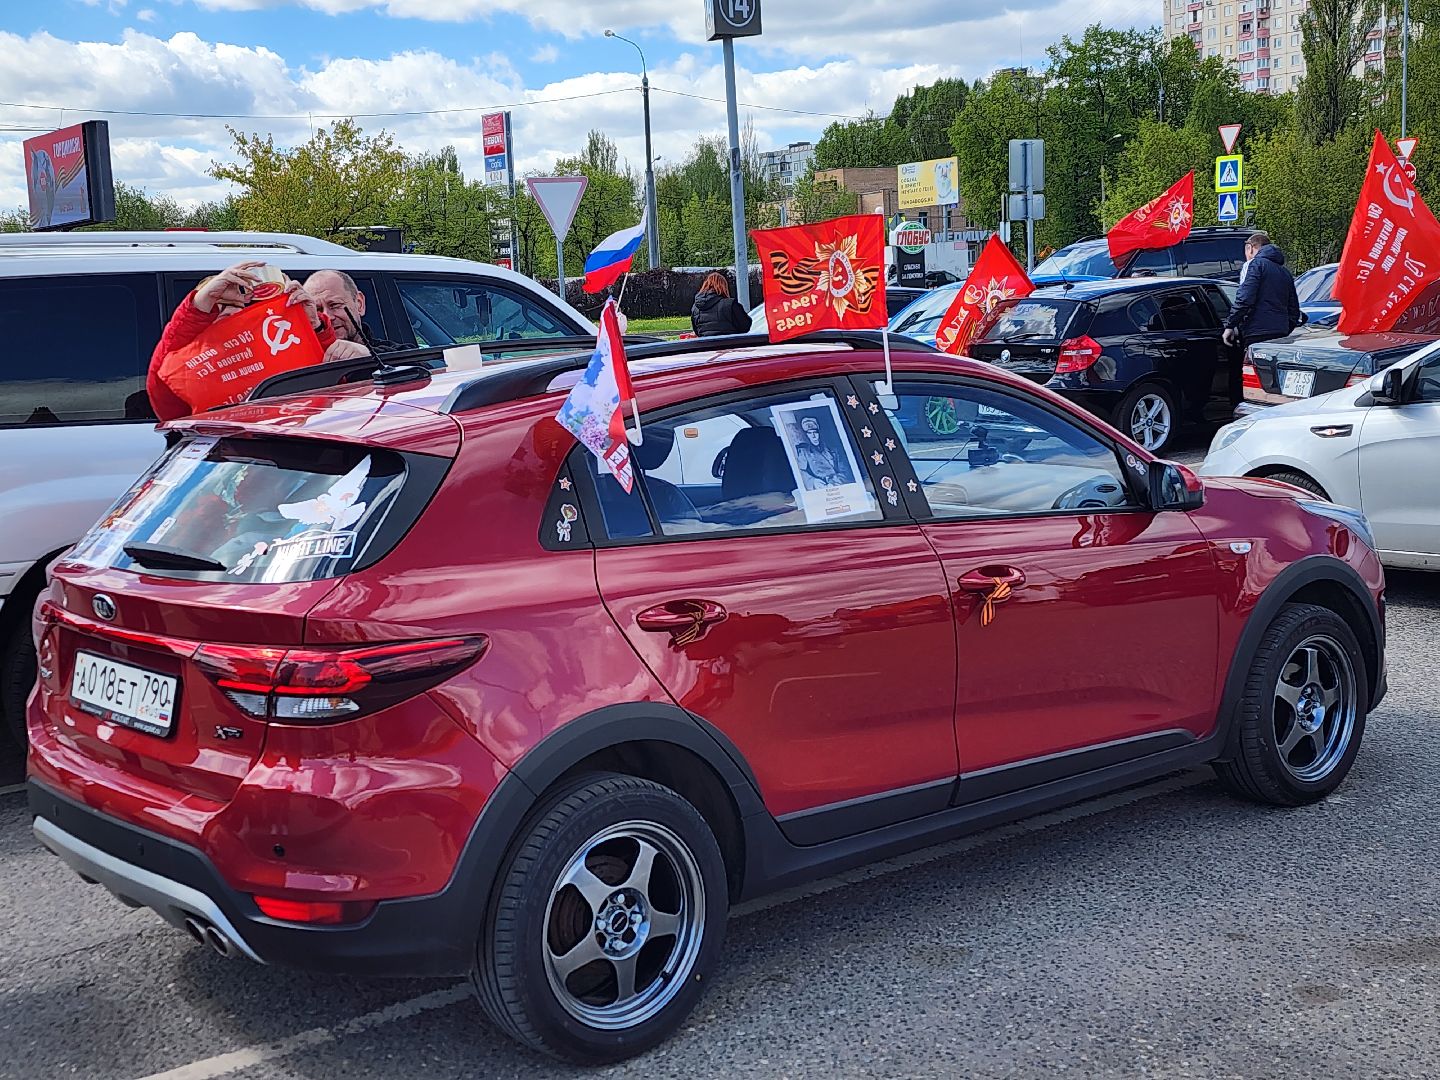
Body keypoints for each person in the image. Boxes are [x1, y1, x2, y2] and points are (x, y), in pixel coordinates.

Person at [145, 263, 363, 421]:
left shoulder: (268, 357)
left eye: (239, 315)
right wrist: (198, 305)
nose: (229, 320)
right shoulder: (193, 375)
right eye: (218, 313)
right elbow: (163, 376)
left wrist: (314, 327)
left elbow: (329, 387)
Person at [1223, 232, 1301, 349]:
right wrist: (1285, 327)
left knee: (1255, 366)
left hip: (1257, 331)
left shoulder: (1255, 265)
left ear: (1250, 248)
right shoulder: (1285, 272)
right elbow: (1294, 309)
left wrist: (1230, 325)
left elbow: (1244, 299)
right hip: (1281, 333)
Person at [305, 270, 405, 354]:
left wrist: (367, 356)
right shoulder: (302, 362)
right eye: (317, 310)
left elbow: (417, 366)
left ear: (359, 304)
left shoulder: (396, 354)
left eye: (335, 305)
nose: (327, 316)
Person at [690, 272, 752, 337]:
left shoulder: (695, 308)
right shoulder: (730, 304)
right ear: (724, 286)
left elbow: (697, 331)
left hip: (706, 345)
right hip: (730, 344)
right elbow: (745, 326)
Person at [794, 416, 848, 489]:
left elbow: (845, 470)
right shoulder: (804, 452)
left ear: (819, 433)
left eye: (815, 432)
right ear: (806, 435)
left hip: (838, 484)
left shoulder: (833, 449)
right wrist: (813, 482)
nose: (814, 436)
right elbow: (800, 472)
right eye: (809, 433)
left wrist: (835, 482)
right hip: (819, 486)